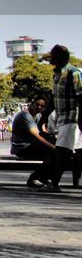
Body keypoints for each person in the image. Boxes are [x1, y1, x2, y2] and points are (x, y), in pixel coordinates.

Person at [44, 45, 82, 192]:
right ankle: (54, 183)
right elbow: (55, 99)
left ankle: (54, 183)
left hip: (72, 116)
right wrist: (45, 117)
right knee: (78, 151)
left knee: (62, 151)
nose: (51, 58)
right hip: (62, 117)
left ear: (61, 57)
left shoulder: (73, 73)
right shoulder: (57, 74)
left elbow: (81, 97)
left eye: (53, 55)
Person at [10, 99, 56, 188]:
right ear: (32, 104)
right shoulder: (25, 115)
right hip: (22, 148)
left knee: (57, 153)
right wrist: (53, 147)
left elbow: (41, 133)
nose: (39, 107)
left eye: (42, 106)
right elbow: (37, 136)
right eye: (37, 104)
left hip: (31, 145)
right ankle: (35, 177)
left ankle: (43, 176)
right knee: (54, 152)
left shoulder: (38, 115)